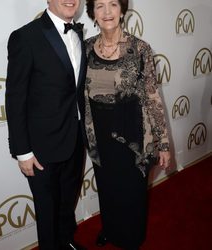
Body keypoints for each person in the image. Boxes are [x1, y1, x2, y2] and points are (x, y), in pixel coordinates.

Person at [84, 0, 171, 249]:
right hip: (99, 135)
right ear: (92, 13)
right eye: (100, 6)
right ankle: (110, 229)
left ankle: (131, 238)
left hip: (132, 135)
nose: (107, 12)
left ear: (122, 10)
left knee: (132, 194)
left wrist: (163, 142)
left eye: (113, 4)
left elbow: (153, 97)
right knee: (107, 188)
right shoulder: (87, 48)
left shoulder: (139, 49)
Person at [5, 0, 87, 249]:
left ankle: (67, 241)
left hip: (74, 139)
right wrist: (23, 151)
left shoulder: (79, 34)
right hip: (41, 149)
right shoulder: (25, 37)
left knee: (66, 204)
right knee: (47, 210)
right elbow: (15, 97)